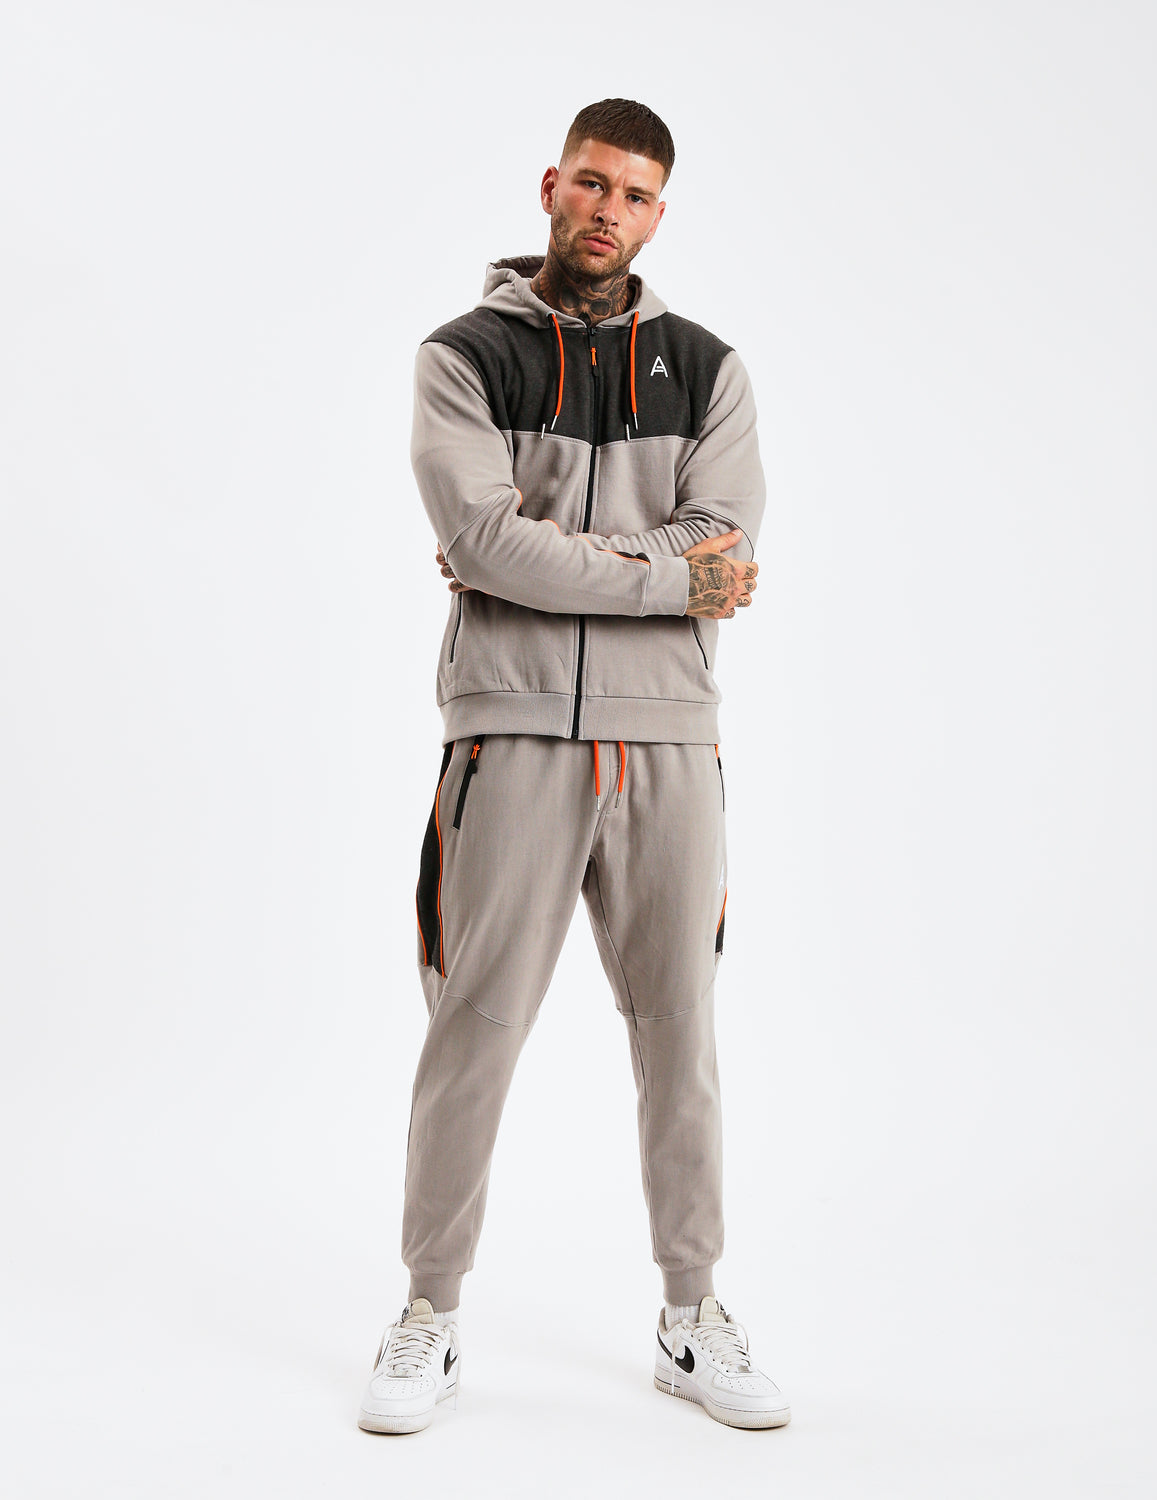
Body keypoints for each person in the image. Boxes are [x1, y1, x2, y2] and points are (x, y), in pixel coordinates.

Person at [358, 98, 789, 1434]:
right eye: (594, 184)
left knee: (680, 1031)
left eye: (637, 195)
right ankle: (429, 1312)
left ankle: (691, 1313)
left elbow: (725, 540)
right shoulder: (463, 355)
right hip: (509, 734)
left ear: (660, 214)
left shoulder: (708, 369)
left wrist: (558, 561)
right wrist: (663, 575)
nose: (610, 211)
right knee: (474, 1024)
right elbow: (486, 542)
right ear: (552, 185)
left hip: (670, 743)